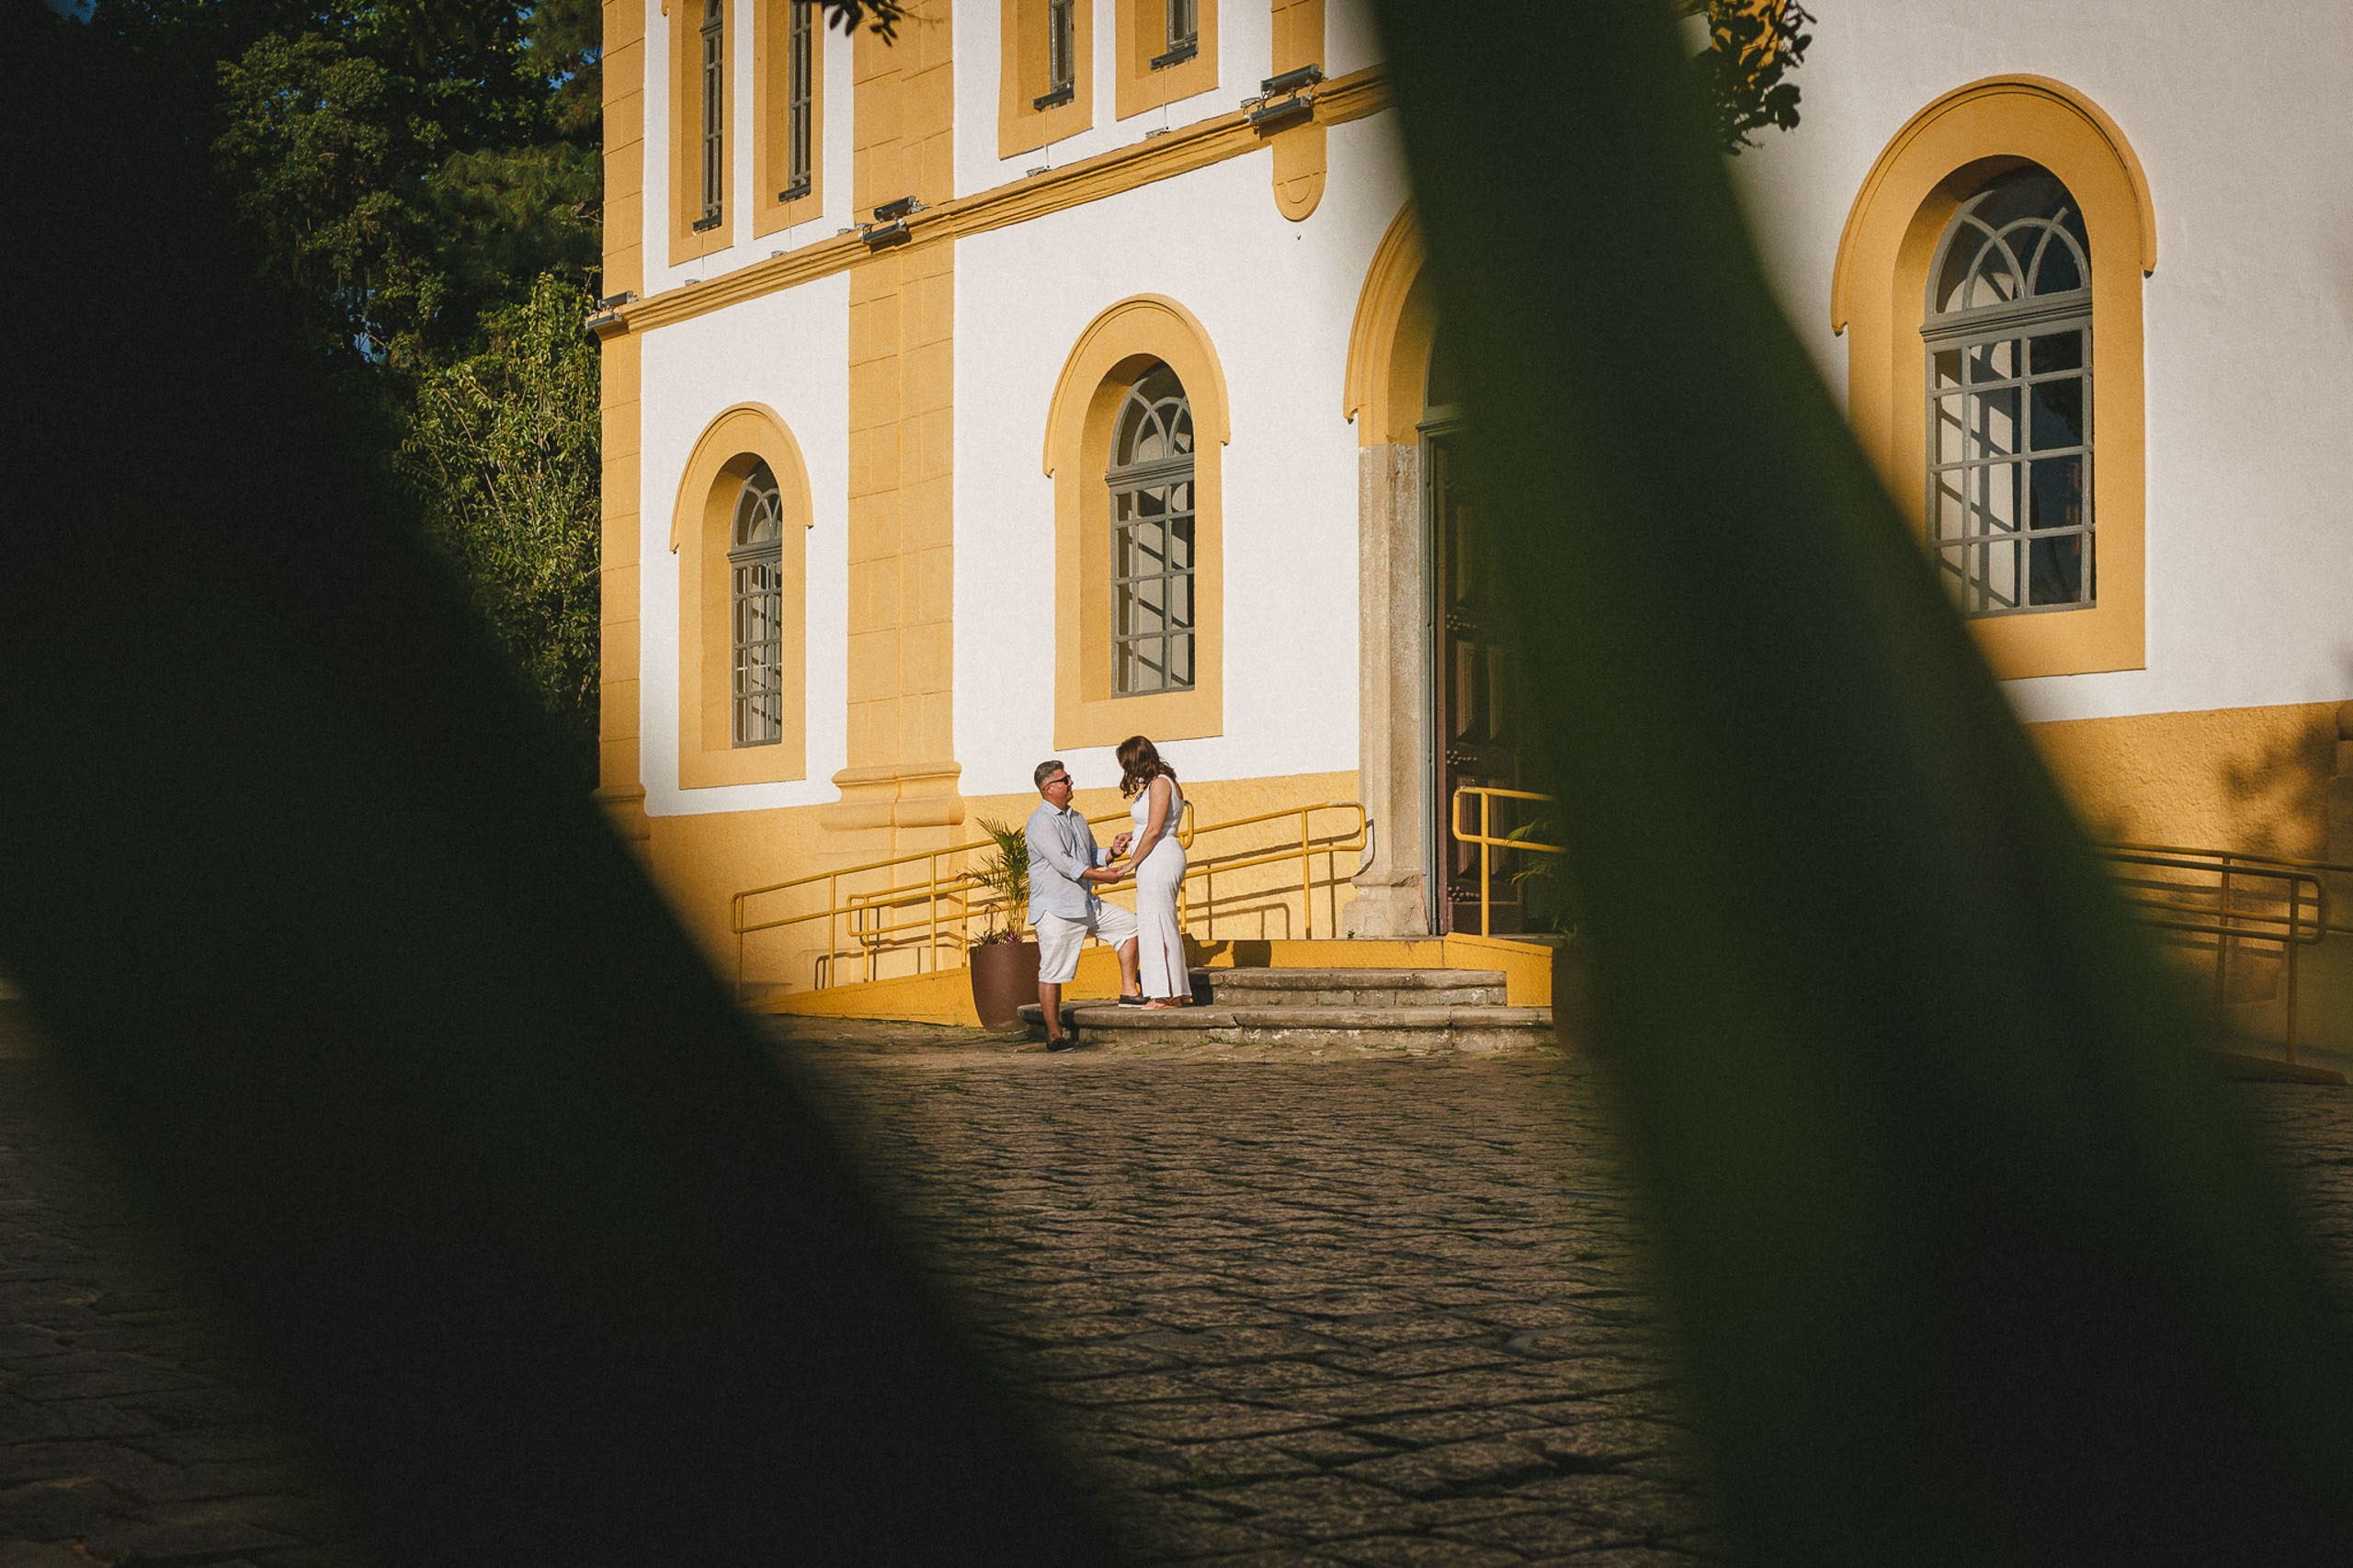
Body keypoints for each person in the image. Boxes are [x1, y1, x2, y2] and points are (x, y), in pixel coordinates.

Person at [1025, 758, 1142, 1049]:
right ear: (1048, 788)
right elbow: (1064, 864)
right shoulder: (1039, 823)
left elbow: (1088, 855)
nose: (1070, 783)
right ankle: (1054, 1036)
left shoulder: (1077, 818)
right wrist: (1104, 876)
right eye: (1065, 780)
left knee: (1131, 926)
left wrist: (1111, 854)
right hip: (1057, 908)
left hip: (1085, 903)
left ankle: (1129, 991)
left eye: (1069, 778)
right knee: (1052, 971)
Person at [1116, 735, 1190, 1007]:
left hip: (1158, 858)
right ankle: (1175, 990)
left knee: (1155, 923)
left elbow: (1156, 829)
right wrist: (1130, 835)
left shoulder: (1160, 784)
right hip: (1158, 855)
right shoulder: (1158, 784)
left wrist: (1131, 862)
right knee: (1159, 921)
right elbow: (1151, 826)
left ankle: (1162, 992)